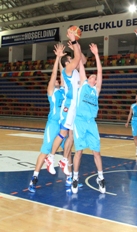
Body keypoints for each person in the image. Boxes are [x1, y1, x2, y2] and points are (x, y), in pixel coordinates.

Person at [28, 43, 66, 192]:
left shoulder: (63, 90)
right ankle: (34, 177)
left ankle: (69, 178)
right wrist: (57, 59)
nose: (57, 80)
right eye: (56, 81)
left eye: (58, 81)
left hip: (64, 124)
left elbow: (64, 76)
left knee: (67, 150)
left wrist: (62, 60)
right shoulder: (51, 91)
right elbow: (54, 75)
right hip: (53, 124)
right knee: (45, 151)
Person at [44, 28, 81, 181]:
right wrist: (74, 40)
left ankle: (64, 160)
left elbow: (78, 59)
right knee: (64, 133)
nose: (73, 60)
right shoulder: (69, 68)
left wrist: (60, 56)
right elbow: (78, 58)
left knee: (71, 135)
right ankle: (50, 157)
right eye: (70, 59)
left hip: (74, 106)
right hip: (69, 105)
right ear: (68, 62)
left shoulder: (69, 70)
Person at [71, 43, 106, 194]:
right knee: (79, 152)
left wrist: (97, 54)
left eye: (94, 76)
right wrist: (75, 47)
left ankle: (101, 177)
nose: (93, 76)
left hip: (91, 123)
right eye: (92, 76)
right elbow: (79, 62)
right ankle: (75, 177)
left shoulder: (96, 90)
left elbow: (100, 70)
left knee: (96, 152)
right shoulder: (83, 84)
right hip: (79, 121)